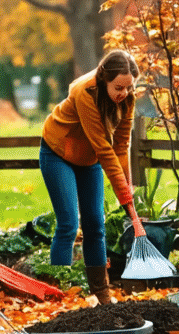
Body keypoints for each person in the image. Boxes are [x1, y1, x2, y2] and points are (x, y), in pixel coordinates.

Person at [39, 50, 140, 304]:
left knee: (96, 223)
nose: (123, 94)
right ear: (104, 78)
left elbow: (121, 146)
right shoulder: (86, 92)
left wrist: (127, 187)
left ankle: (101, 293)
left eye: (129, 88)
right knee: (69, 225)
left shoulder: (127, 98)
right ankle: (59, 294)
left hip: (89, 158)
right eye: (118, 87)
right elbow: (104, 148)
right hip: (59, 153)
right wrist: (123, 194)